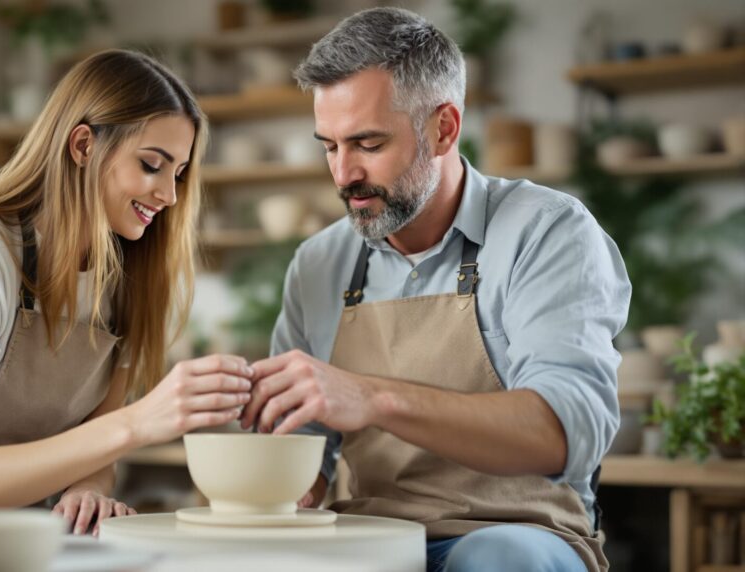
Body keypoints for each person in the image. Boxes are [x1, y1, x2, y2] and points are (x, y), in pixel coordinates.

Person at [238, 8, 630, 572]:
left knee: (497, 559)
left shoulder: (546, 231)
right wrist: (281, 475)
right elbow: (304, 447)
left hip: (520, 532)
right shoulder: (320, 262)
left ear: (443, 128)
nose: (343, 175)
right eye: (329, 146)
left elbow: (565, 431)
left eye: (368, 144)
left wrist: (374, 397)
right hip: (368, 537)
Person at [0, 50, 255, 535]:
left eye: (179, 174)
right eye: (152, 165)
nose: (169, 194)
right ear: (82, 145)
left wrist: (90, 488)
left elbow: (94, 449)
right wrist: (140, 422)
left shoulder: (130, 278)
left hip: (28, 539)